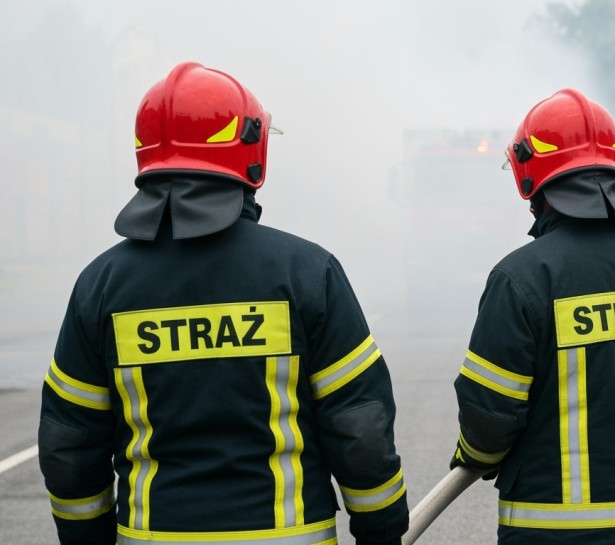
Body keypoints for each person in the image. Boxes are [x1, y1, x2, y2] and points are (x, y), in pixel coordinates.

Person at [37, 62, 408, 545]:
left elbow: (68, 442)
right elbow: (360, 429)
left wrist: (85, 537)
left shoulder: (101, 285)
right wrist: (381, 531)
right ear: (252, 148)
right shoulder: (306, 272)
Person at [448, 88, 615, 544]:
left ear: (528, 173)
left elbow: (489, 416)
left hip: (547, 531)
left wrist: (476, 455)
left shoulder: (519, 278)